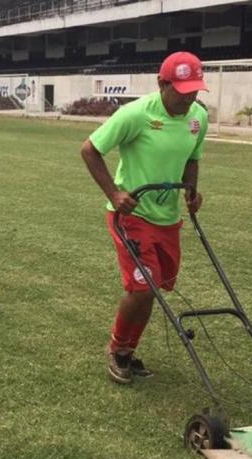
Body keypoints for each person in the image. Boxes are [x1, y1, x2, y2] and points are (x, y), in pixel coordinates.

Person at [80, 51, 209, 384]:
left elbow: (192, 158)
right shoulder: (135, 114)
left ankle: (129, 351)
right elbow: (90, 149)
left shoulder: (198, 117)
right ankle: (118, 351)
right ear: (162, 83)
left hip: (168, 218)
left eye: (195, 90)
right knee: (141, 288)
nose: (189, 97)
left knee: (153, 288)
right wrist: (114, 193)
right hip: (132, 217)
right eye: (182, 90)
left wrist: (190, 191)